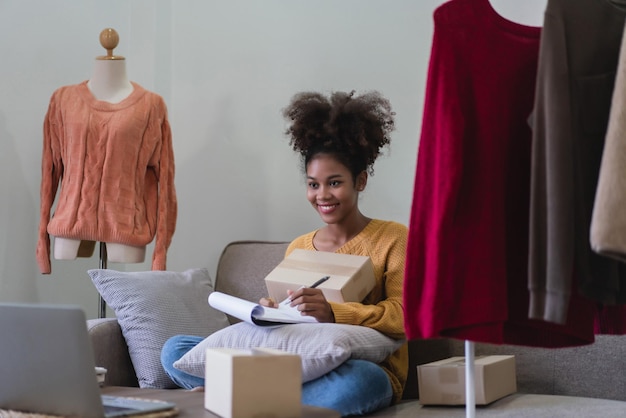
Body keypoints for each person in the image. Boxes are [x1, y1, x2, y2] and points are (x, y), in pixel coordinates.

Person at [161, 90, 408, 416]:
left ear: (360, 181)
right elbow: (290, 328)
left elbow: (406, 316)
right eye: (313, 184)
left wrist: (335, 313)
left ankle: (240, 393)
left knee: (362, 383)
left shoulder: (393, 238)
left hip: (361, 369)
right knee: (174, 350)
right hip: (296, 365)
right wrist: (272, 312)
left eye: (334, 183)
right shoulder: (299, 247)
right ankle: (264, 394)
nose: (322, 195)